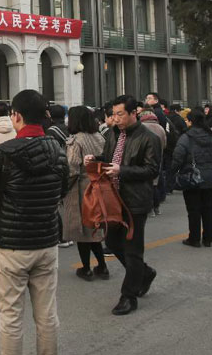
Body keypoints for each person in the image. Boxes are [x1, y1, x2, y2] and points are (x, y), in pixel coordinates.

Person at [0, 89, 68, 355]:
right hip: (47, 241)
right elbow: (63, 187)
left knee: (11, 318)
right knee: (47, 315)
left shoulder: (4, 153)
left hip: (11, 244)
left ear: (17, 116)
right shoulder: (58, 150)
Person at [84, 95, 160, 316]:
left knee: (133, 249)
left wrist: (122, 171)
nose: (115, 119)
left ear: (133, 113)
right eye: (113, 114)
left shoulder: (148, 137)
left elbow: (152, 170)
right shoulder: (114, 134)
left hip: (136, 202)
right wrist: (95, 159)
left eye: (120, 114)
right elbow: (110, 159)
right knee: (112, 242)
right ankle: (144, 273)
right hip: (113, 199)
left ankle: (129, 296)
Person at [62, 107, 108, 281]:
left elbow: (72, 168)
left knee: (80, 230)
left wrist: (63, 188)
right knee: (94, 228)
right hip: (99, 186)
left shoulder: (75, 140)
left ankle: (86, 268)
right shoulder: (99, 137)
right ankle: (102, 266)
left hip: (81, 188)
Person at [171, 107, 212, 247]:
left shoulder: (186, 137)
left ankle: (194, 239)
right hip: (210, 178)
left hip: (192, 177)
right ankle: (208, 238)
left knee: (193, 210)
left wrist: (172, 172)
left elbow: (177, 157)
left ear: (191, 121)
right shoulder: (210, 134)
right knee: (208, 209)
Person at [46, 104, 72, 249]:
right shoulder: (70, 127)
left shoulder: (51, 131)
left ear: (50, 115)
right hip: (72, 166)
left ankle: (62, 237)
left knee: (55, 207)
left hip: (59, 167)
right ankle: (70, 234)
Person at [139, 110, 167, 217]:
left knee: (146, 184)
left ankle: (149, 209)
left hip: (144, 159)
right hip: (158, 158)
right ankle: (157, 207)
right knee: (155, 184)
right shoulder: (160, 128)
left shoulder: (141, 127)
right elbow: (164, 144)